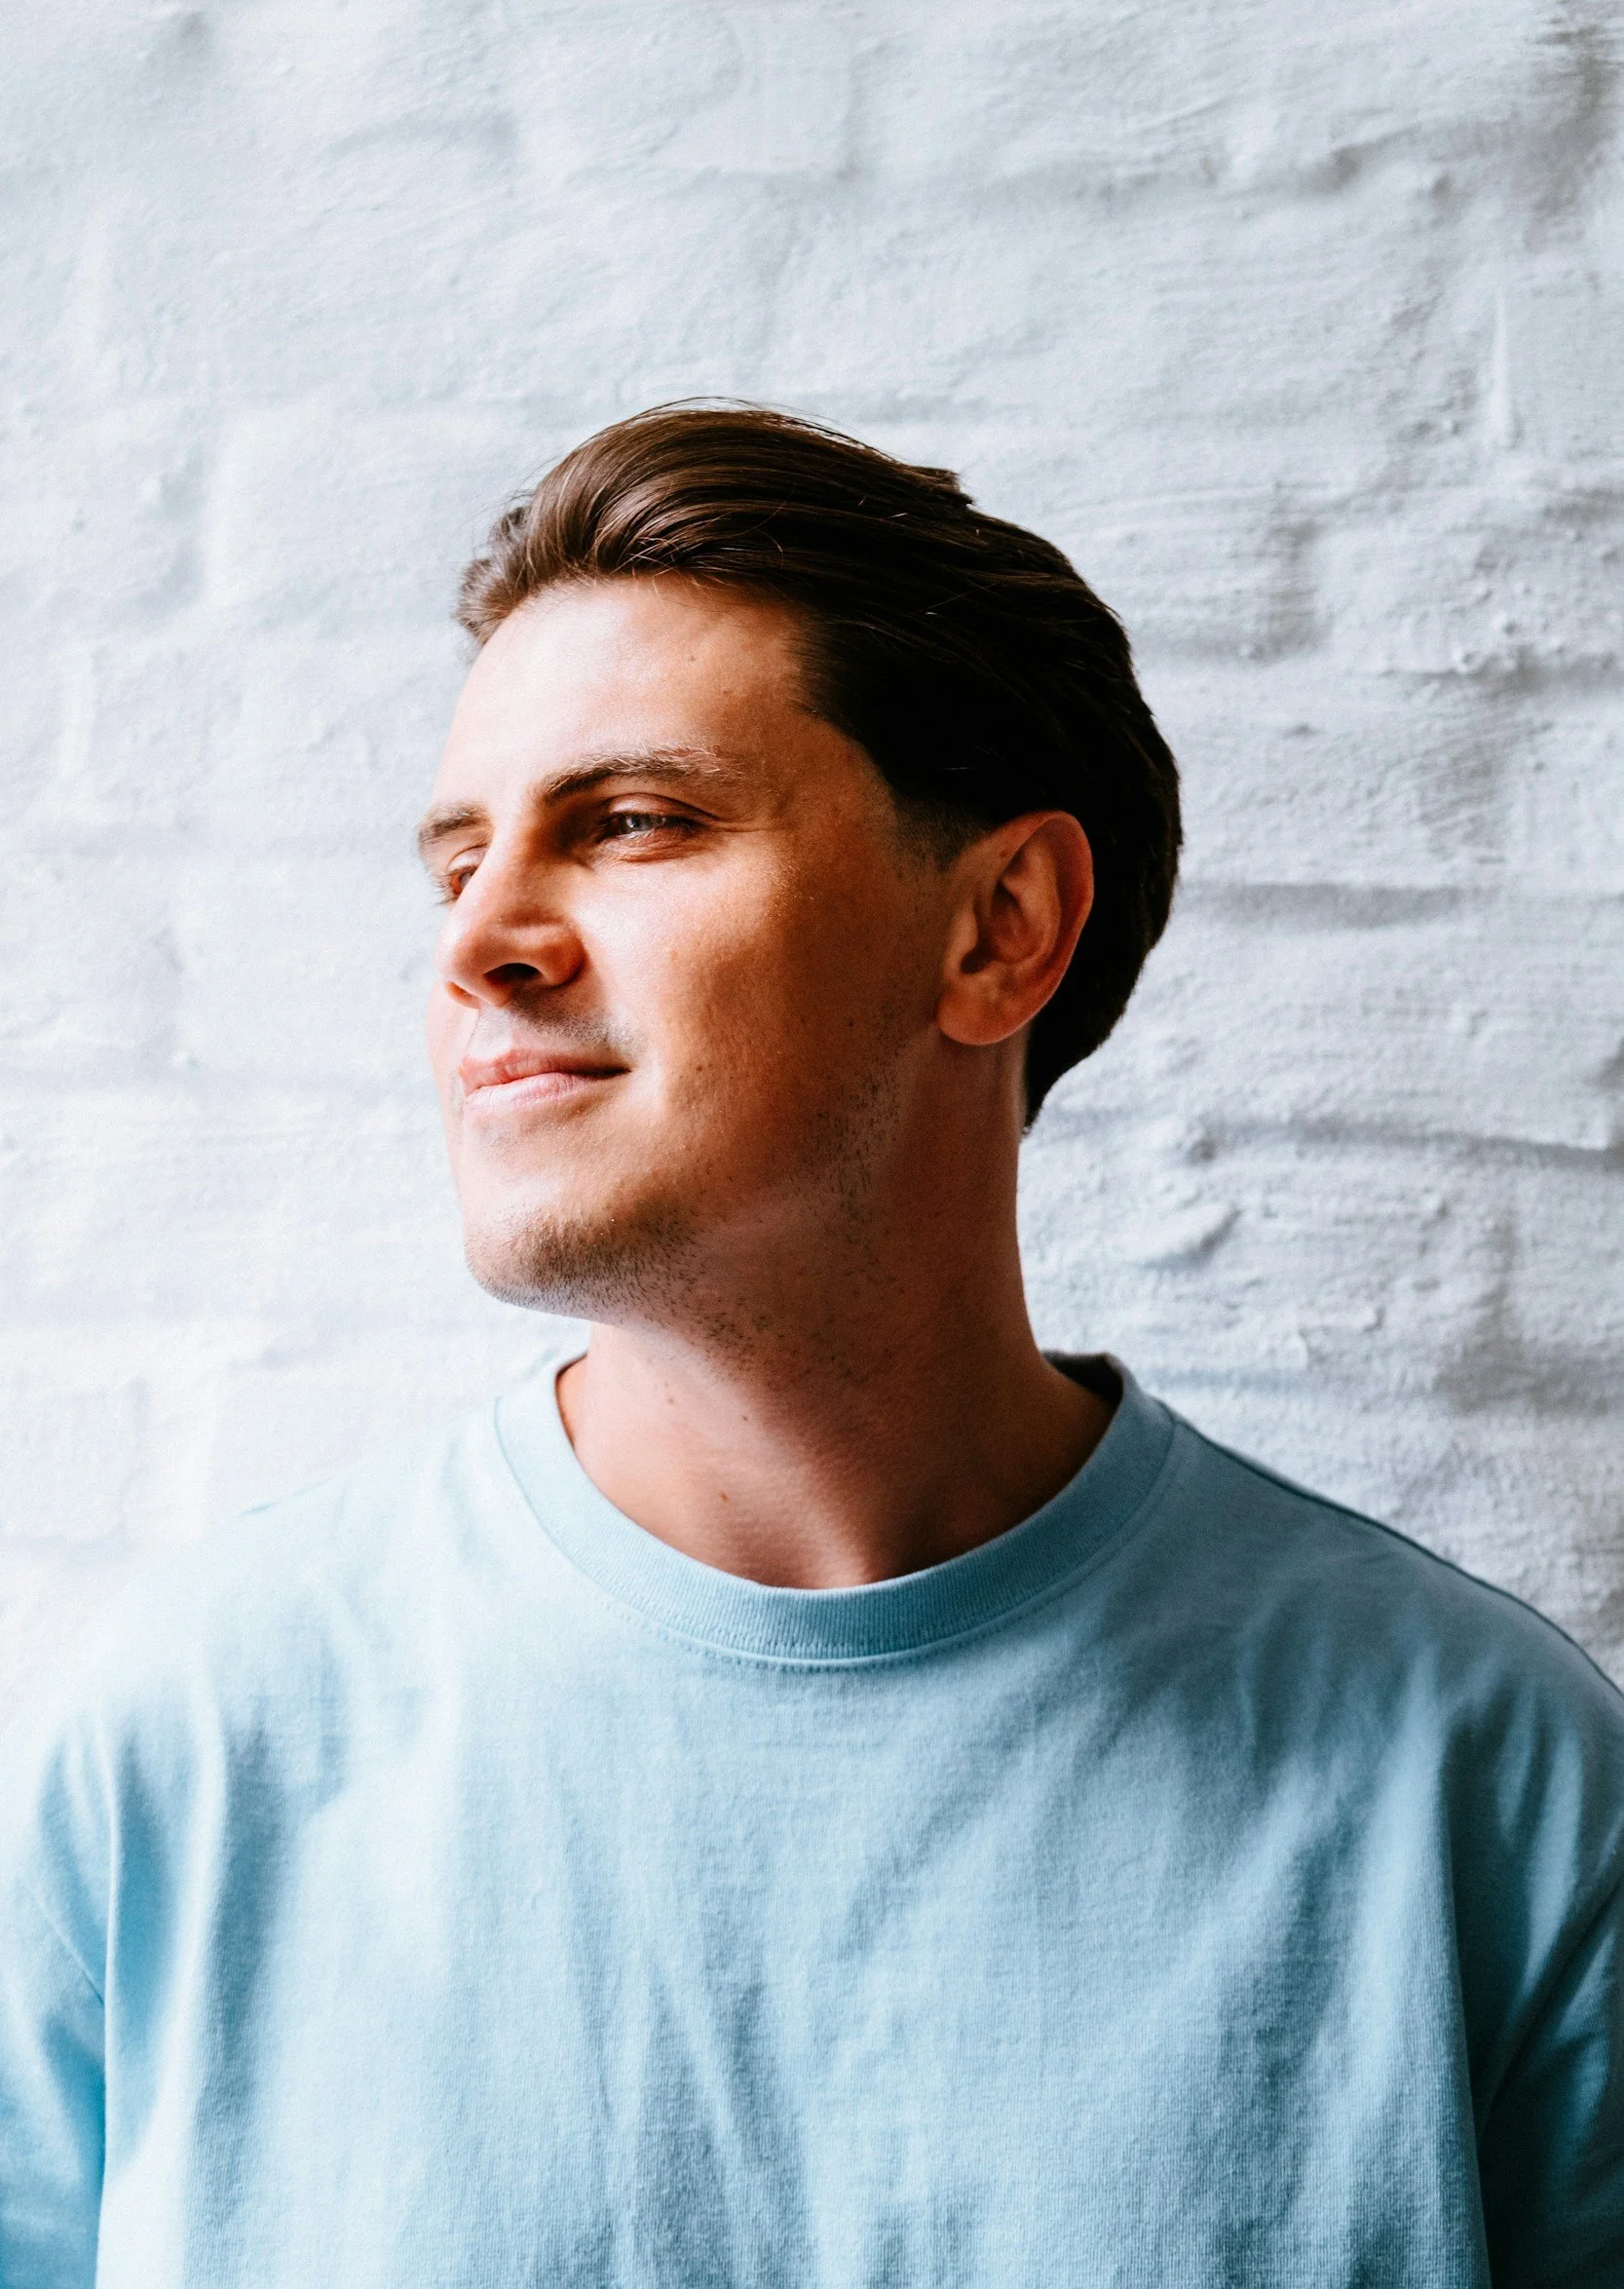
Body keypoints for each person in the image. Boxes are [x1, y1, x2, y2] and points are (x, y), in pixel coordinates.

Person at [1, 405, 1620, 2287]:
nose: (481, 943)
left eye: (633, 822)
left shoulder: (1482, 1781)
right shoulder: (192, 1741)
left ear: (999, 929)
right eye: (456, 863)